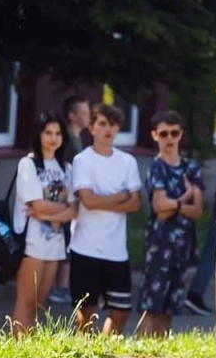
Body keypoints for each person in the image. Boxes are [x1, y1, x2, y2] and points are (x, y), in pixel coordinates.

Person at [69, 102, 143, 334]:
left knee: (121, 311)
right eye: (102, 124)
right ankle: (85, 355)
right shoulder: (82, 160)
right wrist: (120, 197)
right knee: (86, 312)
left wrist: (107, 200)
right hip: (85, 248)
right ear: (91, 128)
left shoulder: (127, 161)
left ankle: (105, 352)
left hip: (116, 250)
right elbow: (88, 201)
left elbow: (135, 203)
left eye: (112, 125)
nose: (107, 130)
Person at [138, 111, 204, 337]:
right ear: (155, 135)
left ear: (180, 134)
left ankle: (161, 347)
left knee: (170, 305)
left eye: (174, 133)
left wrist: (173, 204)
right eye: (164, 133)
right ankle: (142, 347)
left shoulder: (190, 167)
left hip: (183, 244)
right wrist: (186, 195)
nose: (169, 138)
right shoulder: (156, 166)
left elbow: (197, 211)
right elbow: (159, 208)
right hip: (159, 243)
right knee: (151, 304)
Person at [10, 112, 77, 334]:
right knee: (25, 302)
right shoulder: (28, 164)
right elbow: (36, 205)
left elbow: (74, 209)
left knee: (39, 305)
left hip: (56, 243)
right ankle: (15, 350)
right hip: (32, 243)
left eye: (58, 133)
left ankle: (29, 351)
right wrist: (60, 209)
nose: (53, 138)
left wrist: (50, 215)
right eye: (48, 133)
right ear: (39, 134)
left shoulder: (65, 168)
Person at [48, 95, 93, 306]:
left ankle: (61, 285)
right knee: (65, 238)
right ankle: (60, 287)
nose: (88, 116)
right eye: (83, 112)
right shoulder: (67, 140)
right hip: (65, 198)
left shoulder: (79, 138)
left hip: (74, 198)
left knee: (68, 237)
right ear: (72, 116)